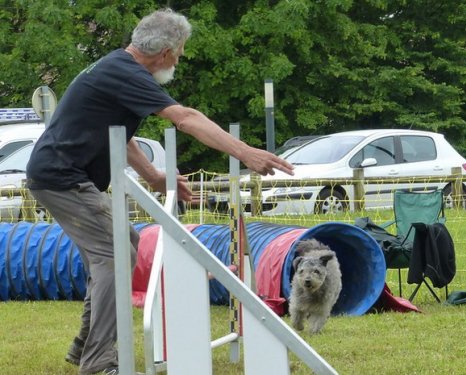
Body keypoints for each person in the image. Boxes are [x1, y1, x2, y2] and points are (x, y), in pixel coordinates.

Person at [26, 8, 294, 375]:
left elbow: (122, 135)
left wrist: (153, 175)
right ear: (166, 51)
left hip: (61, 175)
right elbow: (186, 118)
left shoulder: (116, 69)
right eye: (181, 52)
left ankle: (84, 345)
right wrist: (245, 151)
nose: (180, 59)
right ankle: (98, 361)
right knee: (115, 255)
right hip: (61, 177)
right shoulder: (126, 73)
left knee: (124, 248)